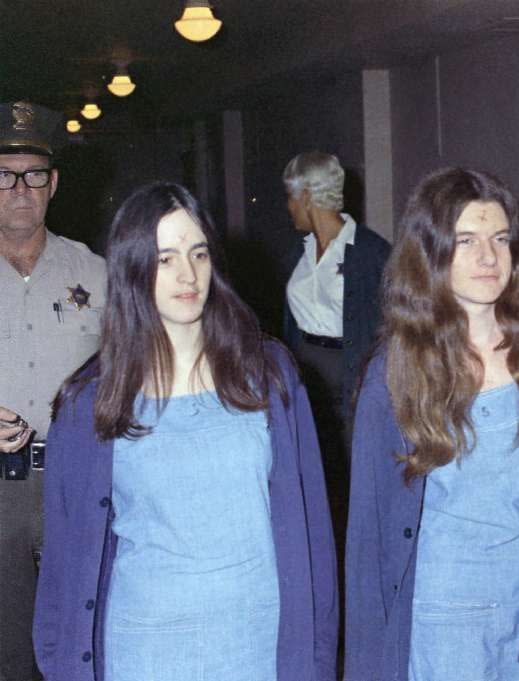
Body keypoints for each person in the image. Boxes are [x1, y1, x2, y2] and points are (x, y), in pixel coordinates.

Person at [33, 183, 337, 681]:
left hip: (256, 644)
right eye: (165, 258)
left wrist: (318, 661)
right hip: (144, 648)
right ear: (133, 269)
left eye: (197, 253)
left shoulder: (269, 375)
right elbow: (64, 568)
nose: (188, 274)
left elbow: (314, 540)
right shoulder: (91, 402)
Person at [344, 168, 519, 681]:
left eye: (500, 240)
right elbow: (369, 535)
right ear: (430, 254)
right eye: (466, 241)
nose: (488, 257)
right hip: (440, 618)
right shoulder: (395, 373)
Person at [0, 101, 106, 681]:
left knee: (81, 644)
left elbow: (136, 372)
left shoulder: (95, 273)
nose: (19, 188)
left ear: (53, 183)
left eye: (33, 174)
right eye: (3, 174)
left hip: (78, 483)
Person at [281, 151, 391, 494]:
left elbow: (389, 330)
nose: (288, 207)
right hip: (307, 376)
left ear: (307, 196)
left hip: (349, 376)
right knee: (314, 477)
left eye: (290, 197)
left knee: (352, 480)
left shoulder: (371, 253)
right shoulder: (299, 251)